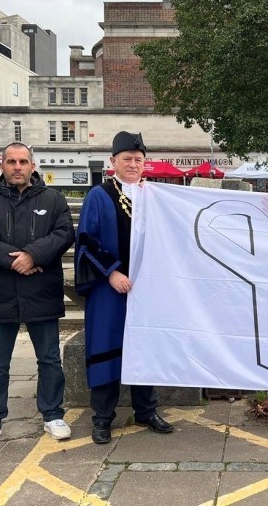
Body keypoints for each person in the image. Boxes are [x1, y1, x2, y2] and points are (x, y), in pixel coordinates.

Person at [0, 143, 75, 448]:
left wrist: (33, 255)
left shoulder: (53, 199)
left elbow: (64, 234)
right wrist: (16, 260)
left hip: (42, 291)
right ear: (2, 165)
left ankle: (52, 414)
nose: (17, 167)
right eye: (11, 161)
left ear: (33, 165)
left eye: (23, 161)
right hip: (1, 292)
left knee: (49, 358)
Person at [75, 131, 175, 444]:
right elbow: (86, 242)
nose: (133, 164)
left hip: (147, 290)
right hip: (110, 289)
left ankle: (146, 410)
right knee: (106, 348)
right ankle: (103, 418)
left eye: (138, 159)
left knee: (144, 349)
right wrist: (112, 273)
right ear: (113, 161)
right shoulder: (99, 195)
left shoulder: (153, 196)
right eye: (127, 159)